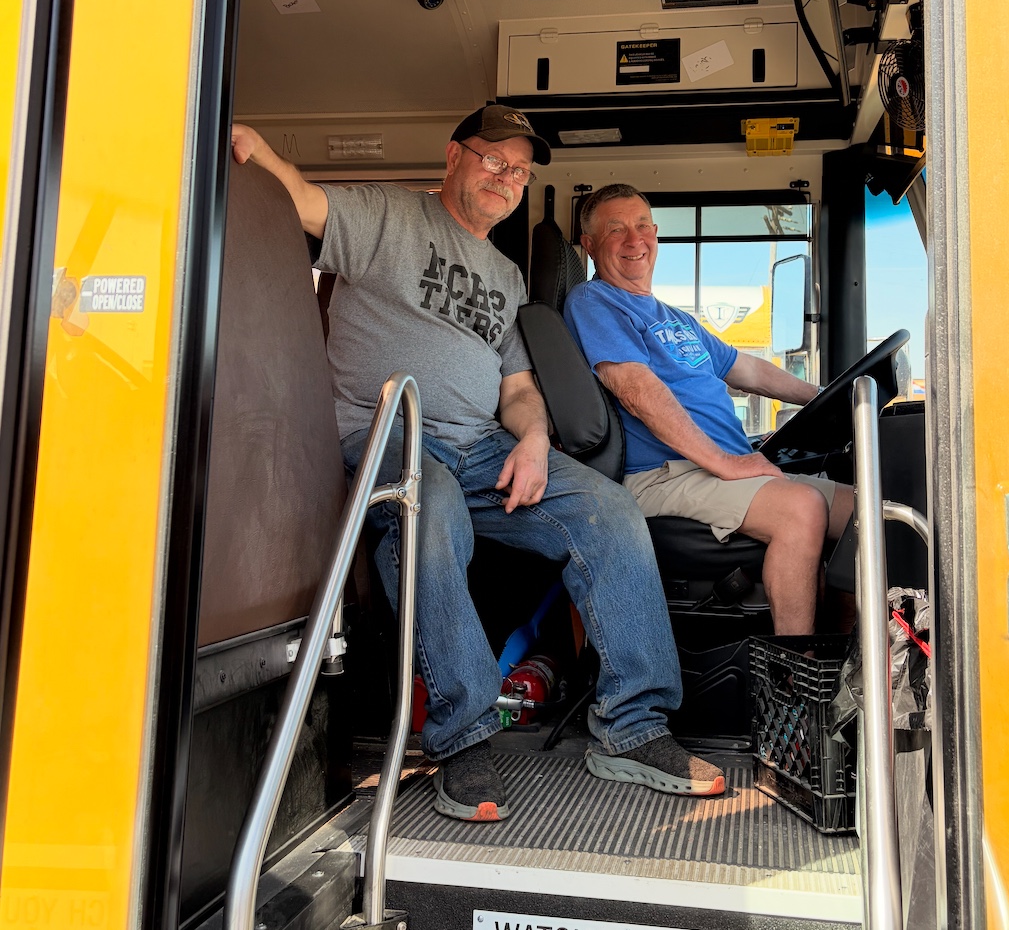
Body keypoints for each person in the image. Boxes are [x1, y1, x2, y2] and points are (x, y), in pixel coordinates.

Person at [230, 108, 725, 823]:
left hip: (484, 445)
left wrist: (531, 441)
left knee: (609, 511)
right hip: (390, 432)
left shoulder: (506, 275)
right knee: (429, 511)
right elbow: (305, 200)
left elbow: (518, 390)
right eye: (494, 159)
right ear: (454, 157)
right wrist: (259, 149)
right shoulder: (390, 218)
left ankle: (633, 725)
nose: (506, 176)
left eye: (519, 170)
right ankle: (461, 737)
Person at [564, 183, 853, 636]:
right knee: (802, 508)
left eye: (642, 226)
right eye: (615, 230)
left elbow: (749, 370)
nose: (634, 240)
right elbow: (636, 390)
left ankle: (852, 655)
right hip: (665, 472)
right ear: (590, 245)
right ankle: (795, 680)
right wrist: (724, 461)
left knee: (866, 511)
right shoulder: (593, 302)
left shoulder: (676, 318)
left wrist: (828, 396)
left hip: (713, 468)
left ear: (656, 234)